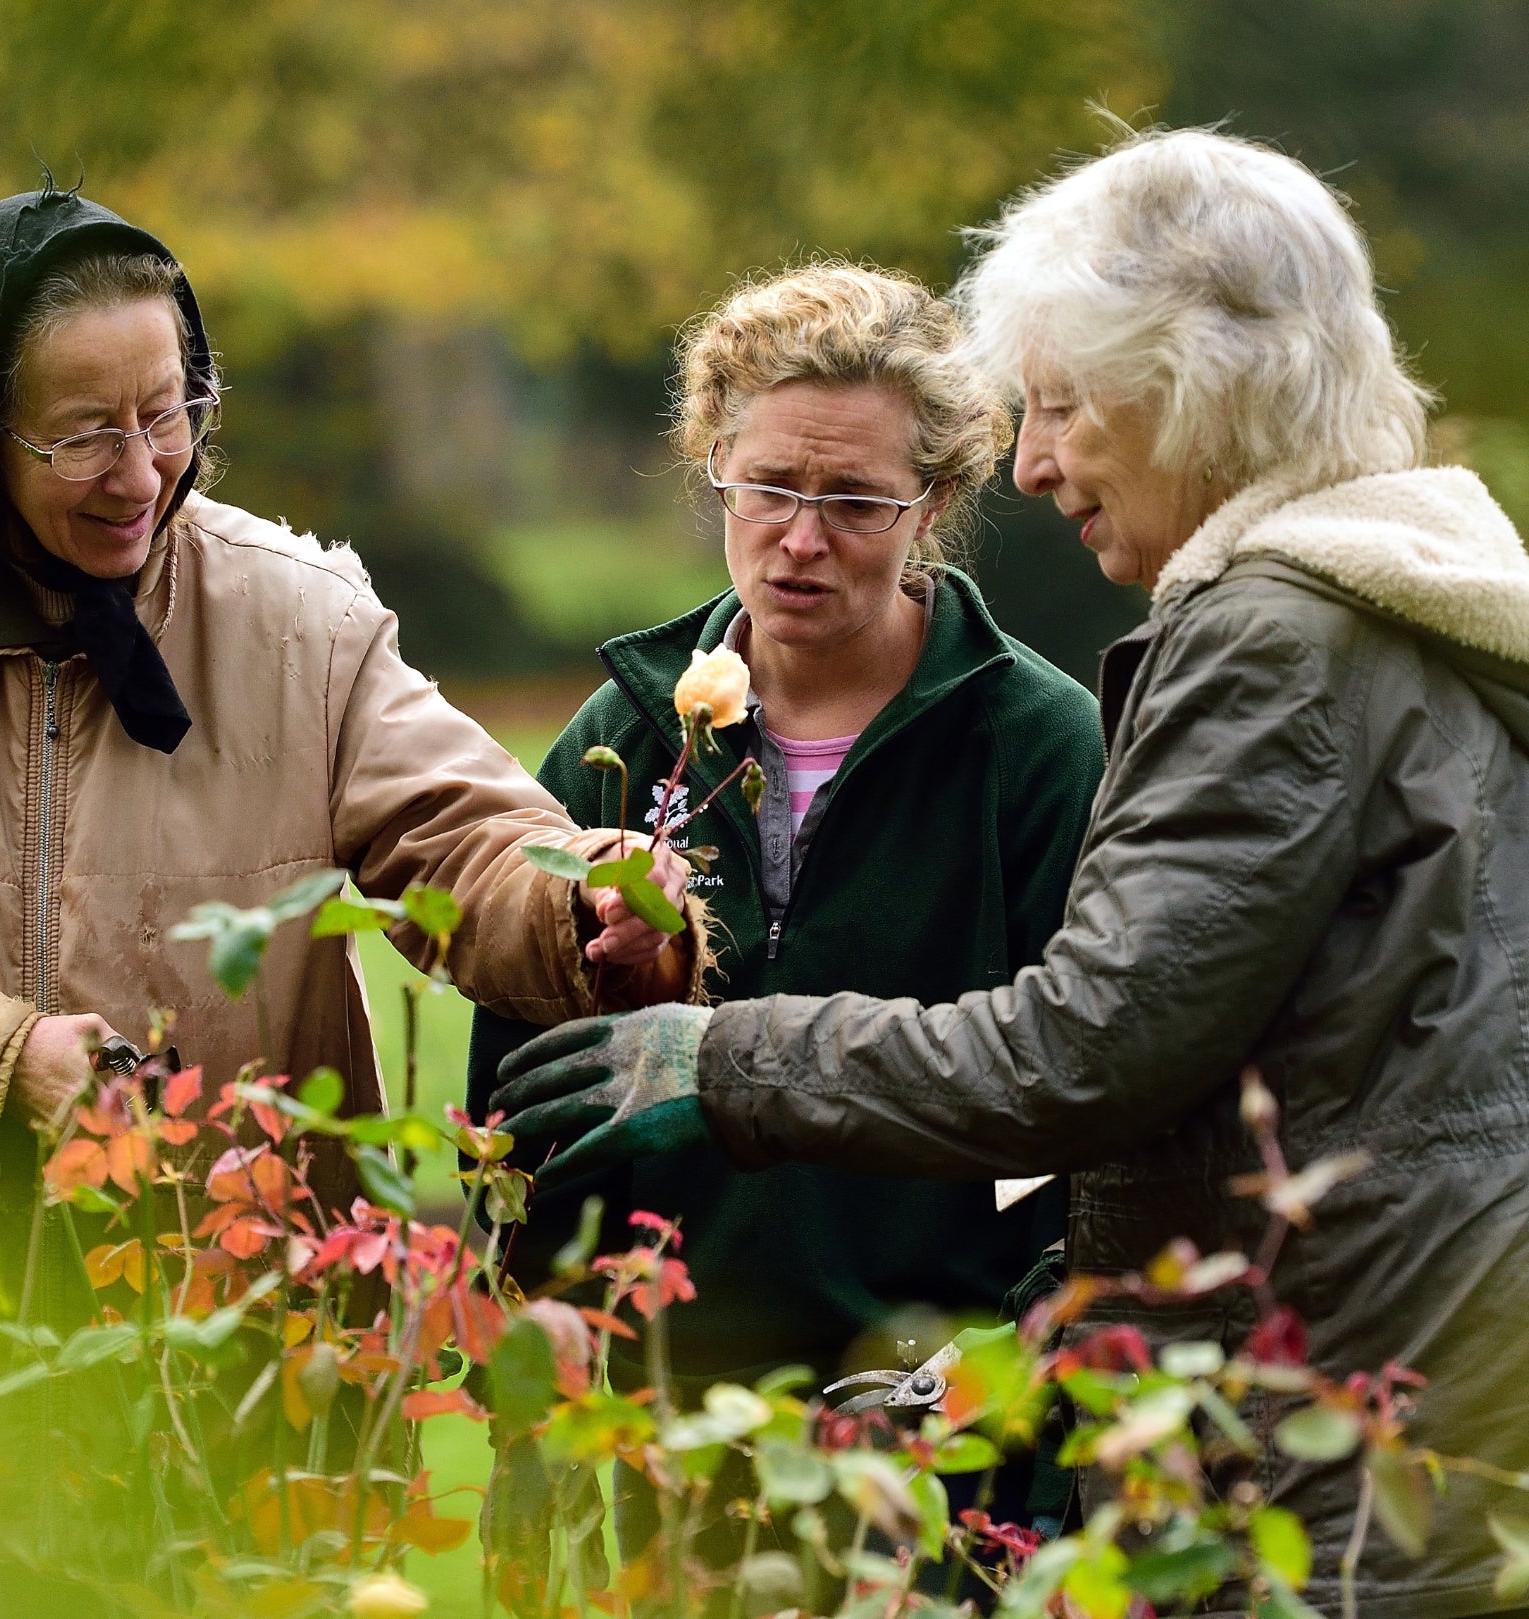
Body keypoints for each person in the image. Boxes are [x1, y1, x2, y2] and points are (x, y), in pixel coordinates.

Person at [492, 129, 1529, 1617]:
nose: (1035, 462)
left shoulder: (1277, 644)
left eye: (1065, 406)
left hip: (1383, 1416)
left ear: (1191, 389)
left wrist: (727, 1055)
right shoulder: (1383, 602)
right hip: (1456, 1381)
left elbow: (1092, 1045)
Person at [0, 187, 691, 1502]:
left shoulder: (300, 624)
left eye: (169, 411)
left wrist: (583, 908)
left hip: (267, 1379)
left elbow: (467, 841)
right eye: (86, 433)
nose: (144, 469)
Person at [468, 262, 1106, 1552]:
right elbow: (516, 1096)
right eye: (766, 488)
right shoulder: (623, 738)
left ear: (937, 503)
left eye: (858, 502)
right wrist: (530, 1357)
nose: (801, 539)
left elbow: (1095, 1107)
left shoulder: (1037, 748)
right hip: (664, 1430)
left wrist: (998, 1374)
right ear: (715, 464)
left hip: (936, 1443)